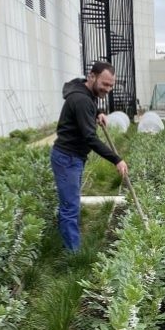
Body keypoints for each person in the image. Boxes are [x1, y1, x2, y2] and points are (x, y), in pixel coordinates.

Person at [50, 62, 129, 251]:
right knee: (70, 208)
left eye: (111, 85)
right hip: (68, 158)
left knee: (71, 203)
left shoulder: (84, 91)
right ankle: (73, 256)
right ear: (91, 76)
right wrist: (116, 159)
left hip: (72, 157)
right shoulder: (81, 100)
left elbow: (89, 100)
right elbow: (90, 138)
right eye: (105, 84)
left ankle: (70, 244)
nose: (108, 89)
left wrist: (98, 112)